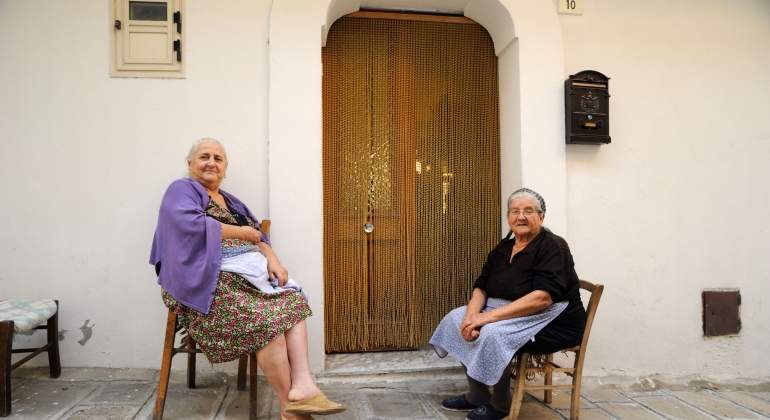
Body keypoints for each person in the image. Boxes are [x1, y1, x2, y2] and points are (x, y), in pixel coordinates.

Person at [150, 138, 344, 420]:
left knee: (292, 298)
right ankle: (291, 411)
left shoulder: (230, 201)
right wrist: (244, 235)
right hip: (206, 281)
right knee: (268, 324)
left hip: (245, 275)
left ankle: (303, 386)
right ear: (190, 163)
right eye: (204, 156)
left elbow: (258, 235)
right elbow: (189, 224)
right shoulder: (181, 190)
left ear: (225, 168)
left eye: (218, 158)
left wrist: (274, 260)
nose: (211, 163)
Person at [430, 188, 586, 420]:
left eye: (528, 211)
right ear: (508, 217)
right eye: (515, 211)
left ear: (541, 217)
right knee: (456, 319)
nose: (520, 216)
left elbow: (542, 298)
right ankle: (477, 395)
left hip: (551, 321)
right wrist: (471, 317)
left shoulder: (553, 246)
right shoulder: (504, 247)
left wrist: (485, 319)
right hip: (507, 310)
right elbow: (481, 286)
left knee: (492, 332)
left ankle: (500, 404)